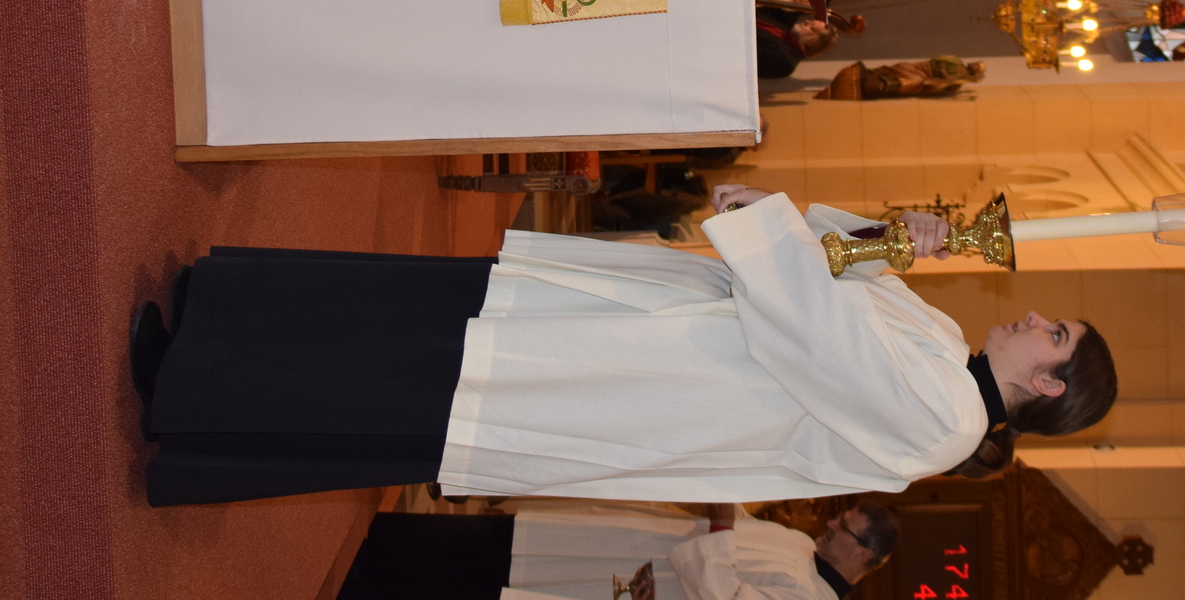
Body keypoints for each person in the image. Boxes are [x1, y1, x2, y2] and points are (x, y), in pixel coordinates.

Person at [129, 185, 1117, 506]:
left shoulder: (947, 424)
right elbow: (832, 265)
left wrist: (780, 236)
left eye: (1054, 333)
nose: (1035, 319)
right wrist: (898, 237)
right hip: (644, 329)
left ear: (1049, 383)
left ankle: (194, 388)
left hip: (636, 387)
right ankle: (218, 320)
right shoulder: (943, 341)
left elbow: (819, 337)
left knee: (406, 378)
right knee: (423, 317)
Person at [334, 500, 898, 600]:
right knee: (486, 546)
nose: (828, 523)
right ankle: (368, 545)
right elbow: (737, 526)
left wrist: (722, 525)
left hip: (618, 587)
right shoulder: (800, 546)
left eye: (843, 528)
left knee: (476, 585)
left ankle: (343, 578)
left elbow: (724, 594)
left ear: (864, 559)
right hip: (615, 544)